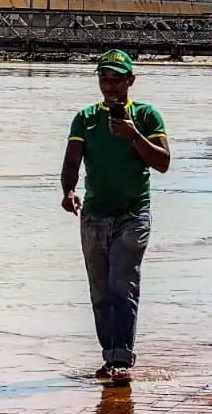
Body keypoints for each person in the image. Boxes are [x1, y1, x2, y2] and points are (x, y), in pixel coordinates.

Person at [60, 49, 171, 385]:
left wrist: (133, 135)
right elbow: (72, 162)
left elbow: (163, 163)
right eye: (103, 79)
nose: (109, 86)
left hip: (132, 215)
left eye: (116, 79)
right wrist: (68, 191)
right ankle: (109, 356)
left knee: (123, 285)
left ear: (130, 81)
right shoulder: (85, 118)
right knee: (100, 292)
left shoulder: (147, 116)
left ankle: (121, 358)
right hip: (93, 216)